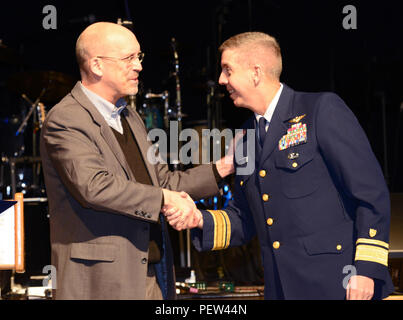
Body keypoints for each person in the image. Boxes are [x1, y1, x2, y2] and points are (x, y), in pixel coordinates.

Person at [163, 32, 395, 300]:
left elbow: (371, 194)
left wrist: (365, 271)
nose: (221, 80)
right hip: (280, 288)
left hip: (338, 284)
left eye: (228, 70)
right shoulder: (247, 136)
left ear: (256, 72)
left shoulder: (320, 110)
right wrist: (199, 219)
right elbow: (244, 217)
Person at [39, 22, 233, 300]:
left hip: (150, 276)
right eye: (129, 58)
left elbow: (163, 182)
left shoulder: (131, 117)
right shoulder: (66, 118)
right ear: (96, 65)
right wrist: (165, 199)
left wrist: (225, 166)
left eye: (139, 57)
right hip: (100, 282)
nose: (139, 66)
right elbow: (94, 187)